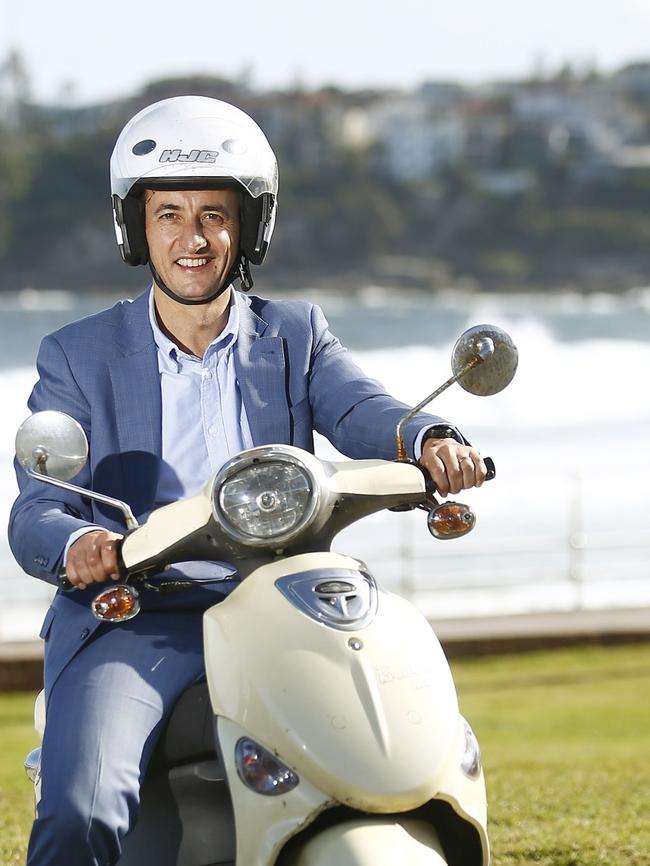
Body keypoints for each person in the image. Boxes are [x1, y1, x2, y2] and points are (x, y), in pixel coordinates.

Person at [9, 95, 487, 866]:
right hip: (141, 615)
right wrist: (82, 542)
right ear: (137, 227)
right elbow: (36, 509)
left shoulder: (297, 334)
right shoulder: (77, 354)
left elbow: (361, 406)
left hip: (283, 602)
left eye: (214, 215)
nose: (191, 239)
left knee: (396, 754)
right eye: (168, 214)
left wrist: (427, 437)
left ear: (250, 225)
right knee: (80, 810)